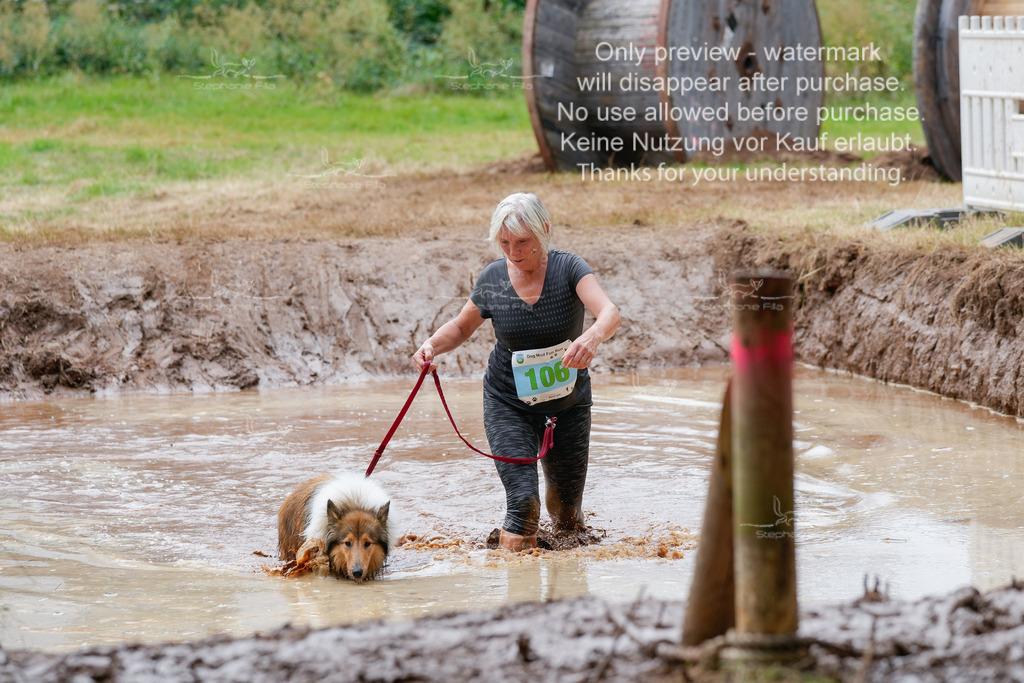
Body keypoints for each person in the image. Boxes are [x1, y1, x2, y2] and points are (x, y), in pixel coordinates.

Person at [413, 192, 621, 551]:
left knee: (567, 517)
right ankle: (514, 593)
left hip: (568, 407)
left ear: (545, 230)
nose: (514, 251)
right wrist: (431, 345)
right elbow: (462, 328)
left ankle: (566, 592)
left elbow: (609, 312)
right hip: (508, 403)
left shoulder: (569, 268)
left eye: (523, 242)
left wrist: (592, 336)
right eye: (505, 242)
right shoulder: (494, 278)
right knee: (524, 503)